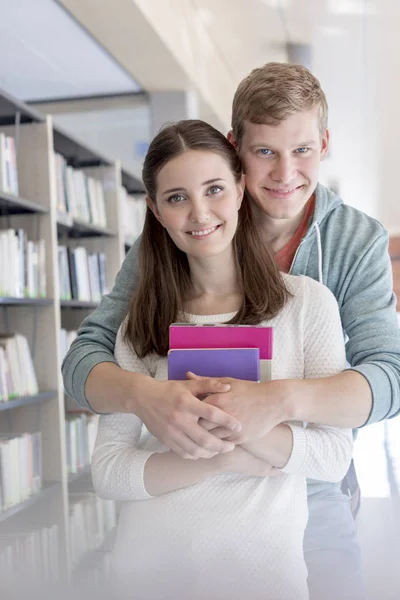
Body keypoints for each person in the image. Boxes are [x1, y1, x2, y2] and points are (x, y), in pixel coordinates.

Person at [62, 63, 400, 599]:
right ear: (234, 147)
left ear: (325, 144)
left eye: (303, 150)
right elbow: (85, 361)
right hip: (176, 495)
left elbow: (388, 380)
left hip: (301, 482)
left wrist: (276, 402)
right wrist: (149, 398)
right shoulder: (168, 251)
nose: (285, 173)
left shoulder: (348, 250)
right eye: (265, 151)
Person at [90, 119, 353, 600]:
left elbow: (335, 457)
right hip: (148, 577)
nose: (199, 212)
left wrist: (255, 420)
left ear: (239, 189)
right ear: (155, 210)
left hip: (264, 579)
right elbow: (109, 472)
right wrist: (224, 459)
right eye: (176, 198)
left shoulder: (307, 306)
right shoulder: (142, 321)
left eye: (213, 189)